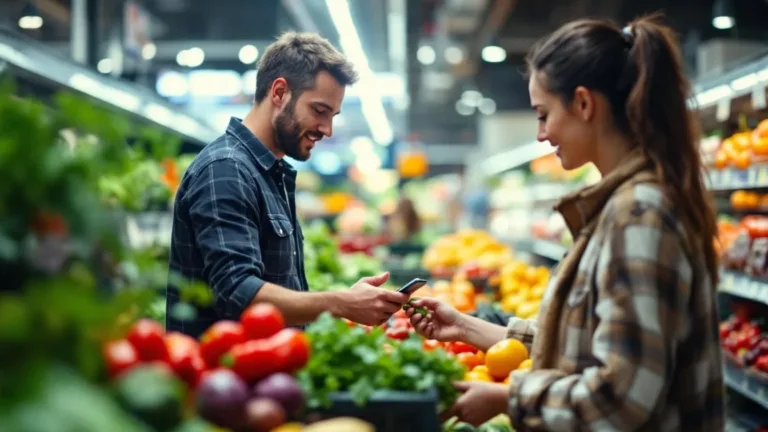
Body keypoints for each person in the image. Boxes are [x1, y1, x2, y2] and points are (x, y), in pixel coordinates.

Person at [407, 15, 724, 431]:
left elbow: (624, 398)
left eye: (543, 114)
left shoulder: (639, 214)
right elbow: (588, 348)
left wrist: (509, 398)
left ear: (584, 104)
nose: (541, 134)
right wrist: (465, 326)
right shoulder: (624, 205)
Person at [167, 32, 409, 338]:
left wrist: (344, 300)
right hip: (225, 379)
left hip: (268, 373)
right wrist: (340, 303)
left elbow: (274, 287)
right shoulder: (226, 170)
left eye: (332, 115)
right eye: (319, 111)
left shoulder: (268, 173)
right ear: (279, 92)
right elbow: (239, 294)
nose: (328, 130)